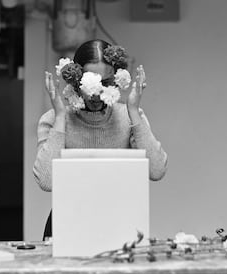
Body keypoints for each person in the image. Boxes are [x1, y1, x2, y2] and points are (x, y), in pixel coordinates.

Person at [33, 39, 168, 240]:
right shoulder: (54, 120)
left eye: (105, 83)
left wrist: (133, 110)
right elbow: (46, 181)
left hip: (120, 224)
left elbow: (157, 170)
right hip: (66, 226)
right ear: (76, 81)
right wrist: (61, 117)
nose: (96, 94)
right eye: (90, 83)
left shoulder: (130, 116)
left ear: (116, 80)